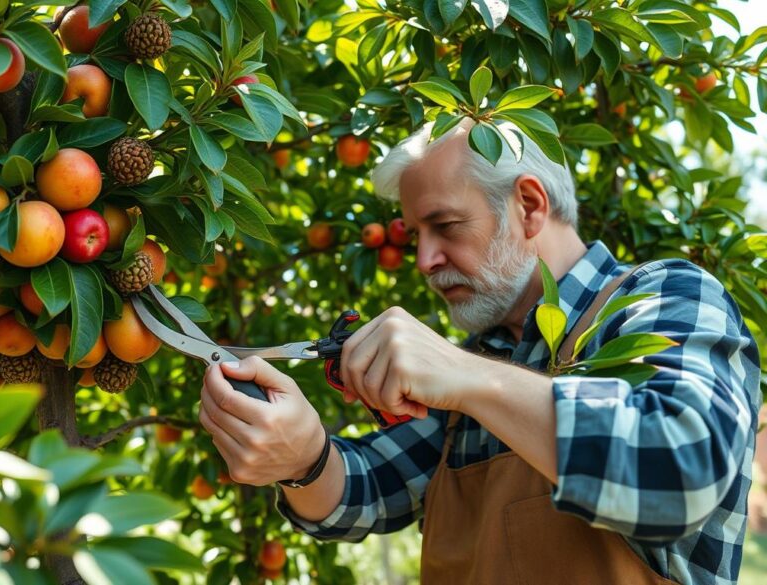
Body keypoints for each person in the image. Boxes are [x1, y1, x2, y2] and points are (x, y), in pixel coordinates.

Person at [198, 119, 761, 584]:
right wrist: (303, 457)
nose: (424, 260)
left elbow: (681, 468)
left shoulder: (668, 297)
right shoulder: (482, 358)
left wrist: (470, 377)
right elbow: (366, 488)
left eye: (445, 226)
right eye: (415, 233)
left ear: (530, 205)